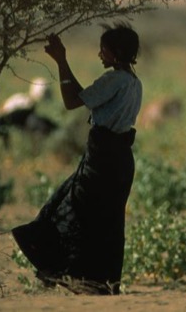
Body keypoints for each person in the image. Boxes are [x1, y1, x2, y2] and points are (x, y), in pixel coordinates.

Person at [11, 21, 143, 295]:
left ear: (116, 52)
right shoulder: (134, 82)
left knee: (68, 208)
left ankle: (70, 276)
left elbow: (72, 101)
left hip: (102, 161)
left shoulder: (114, 79)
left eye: (103, 50)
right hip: (119, 161)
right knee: (106, 221)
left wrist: (61, 60)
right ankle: (98, 283)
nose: (99, 55)